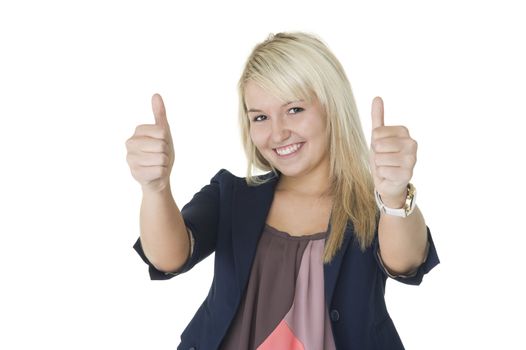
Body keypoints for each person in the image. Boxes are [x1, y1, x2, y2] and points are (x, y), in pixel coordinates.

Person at [125, 31, 439, 350]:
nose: (278, 133)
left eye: (294, 110)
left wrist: (395, 195)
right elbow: (167, 257)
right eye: (260, 117)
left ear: (332, 106)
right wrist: (155, 188)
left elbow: (407, 261)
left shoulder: (372, 205)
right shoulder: (232, 195)